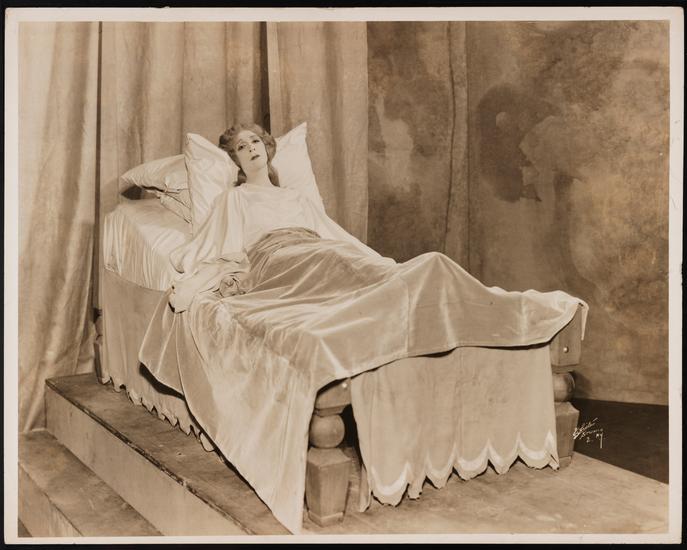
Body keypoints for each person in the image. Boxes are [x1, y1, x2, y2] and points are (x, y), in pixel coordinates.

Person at [168, 123, 385, 310]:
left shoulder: (296, 197)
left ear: (266, 147)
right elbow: (226, 245)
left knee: (348, 261)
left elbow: (332, 234)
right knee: (333, 260)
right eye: (242, 147)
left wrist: (376, 262)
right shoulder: (235, 196)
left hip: (314, 250)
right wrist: (206, 280)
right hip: (273, 258)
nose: (251, 147)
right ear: (236, 160)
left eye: (255, 141)